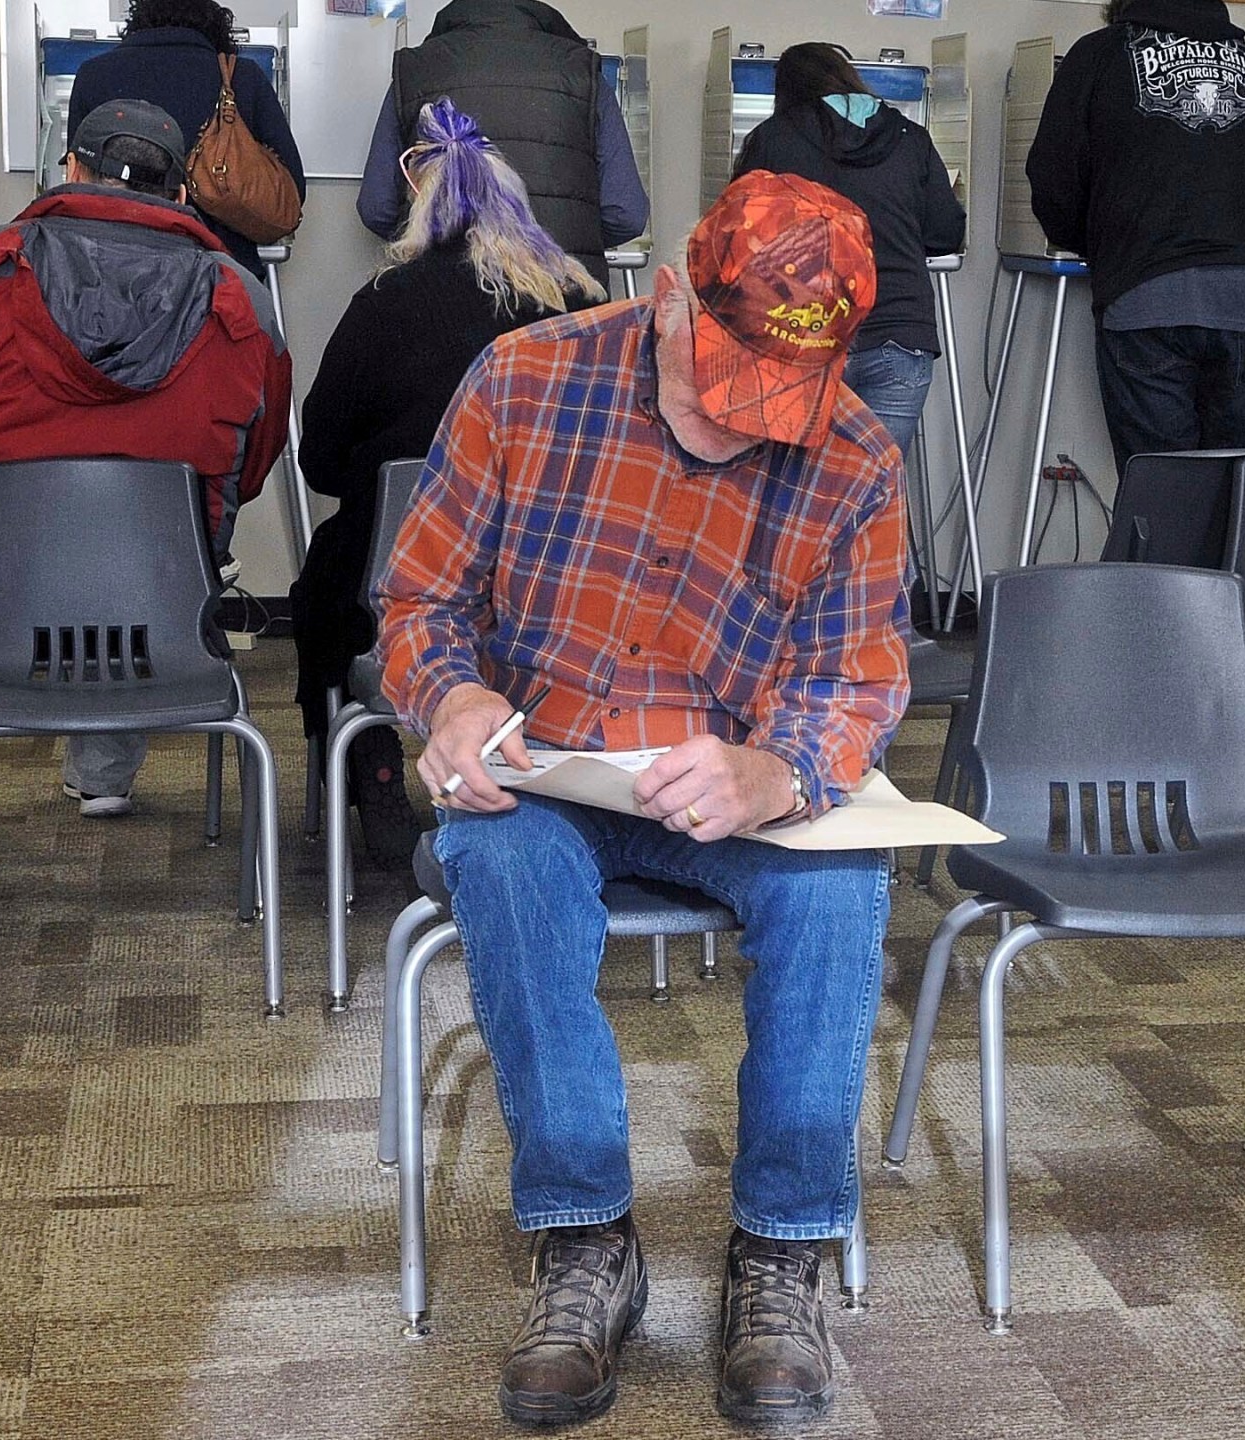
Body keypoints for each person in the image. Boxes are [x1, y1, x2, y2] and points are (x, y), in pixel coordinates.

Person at [376, 170, 908, 1428]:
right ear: (667, 298)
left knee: (840, 875)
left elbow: (854, 675)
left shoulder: (855, 460)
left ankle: (781, 1253)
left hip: (726, 780)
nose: (735, 431)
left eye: (768, 408)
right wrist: (449, 702)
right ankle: (586, 1245)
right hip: (547, 766)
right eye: (717, 391)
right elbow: (422, 606)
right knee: (499, 863)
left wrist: (777, 770)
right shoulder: (521, 381)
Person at [0, 100, 291, 818]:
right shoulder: (240, 299)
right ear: (181, 192)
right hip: (165, 597)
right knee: (162, 550)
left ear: (69, 170)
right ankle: (104, 770)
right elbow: (250, 465)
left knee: (16, 528)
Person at [294, 99, 603, 867]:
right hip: (558, 597)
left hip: (392, 583)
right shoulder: (580, 306)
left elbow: (321, 460)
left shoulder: (381, 303)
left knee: (325, 591)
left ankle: (373, 761)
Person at [1026, 0, 1245, 462]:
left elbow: (1054, 177)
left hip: (1146, 293)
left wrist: (1096, 243)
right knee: (1235, 486)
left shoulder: (1098, 56)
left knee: (1159, 490)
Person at [733, 42, 966, 458]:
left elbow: (735, 239)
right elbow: (945, 232)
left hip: (800, 336)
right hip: (899, 333)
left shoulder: (771, 140)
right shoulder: (911, 138)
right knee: (873, 495)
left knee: (792, 496)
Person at [358, 0, 647, 289]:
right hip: (561, 297)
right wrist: (570, 238)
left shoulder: (414, 71)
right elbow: (626, 214)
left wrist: (440, 236)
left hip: (444, 297)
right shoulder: (584, 72)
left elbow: (377, 207)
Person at [67, 0, 308, 276]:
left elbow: (78, 184)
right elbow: (290, 190)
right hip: (223, 277)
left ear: (138, 17)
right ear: (214, 22)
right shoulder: (242, 77)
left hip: (111, 271)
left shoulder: (93, 74)